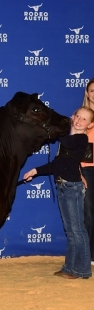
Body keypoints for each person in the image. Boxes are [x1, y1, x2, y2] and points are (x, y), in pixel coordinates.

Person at [23, 106, 94, 279]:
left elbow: (68, 142)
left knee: (78, 230)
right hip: (63, 186)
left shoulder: (81, 139)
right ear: (73, 116)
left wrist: (58, 127)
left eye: (84, 119)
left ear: (89, 125)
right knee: (71, 230)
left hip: (72, 188)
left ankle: (83, 269)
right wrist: (36, 171)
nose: (79, 120)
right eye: (77, 116)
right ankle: (70, 267)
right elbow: (56, 165)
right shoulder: (68, 139)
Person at [81, 78, 94, 265]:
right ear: (87, 93)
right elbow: (73, 147)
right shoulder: (81, 115)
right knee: (89, 212)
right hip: (87, 169)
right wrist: (78, 171)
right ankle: (89, 254)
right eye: (92, 91)